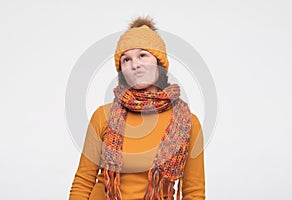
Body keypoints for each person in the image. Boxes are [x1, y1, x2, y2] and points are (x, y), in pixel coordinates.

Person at [69, 16, 205, 200]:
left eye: (142, 55)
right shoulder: (103, 116)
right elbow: (83, 182)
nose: (135, 64)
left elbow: (194, 192)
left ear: (159, 62)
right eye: (126, 59)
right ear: (121, 70)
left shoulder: (187, 123)